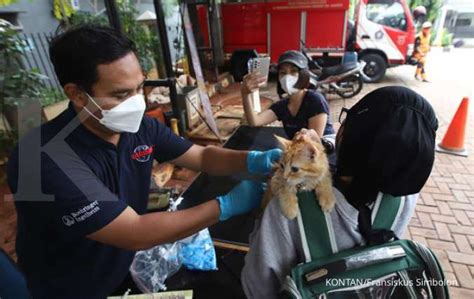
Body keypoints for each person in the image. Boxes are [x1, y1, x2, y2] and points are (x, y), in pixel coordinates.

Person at [6, 25, 281, 298]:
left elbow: (201, 156)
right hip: (72, 286)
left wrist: (253, 160)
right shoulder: (43, 158)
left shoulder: (138, 128)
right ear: (77, 94)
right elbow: (134, 231)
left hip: (123, 265)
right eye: (120, 94)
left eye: (139, 88)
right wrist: (225, 206)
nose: (137, 102)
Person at [241, 86, 438, 298]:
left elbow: (256, 286)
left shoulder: (288, 212)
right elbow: (374, 160)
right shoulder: (405, 197)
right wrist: (321, 148)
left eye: (345, 120)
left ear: (345, 135)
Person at [241, 50, 335, 140]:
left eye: (293, 71)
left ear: (303, 74)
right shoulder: (282, 106)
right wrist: (245, 94)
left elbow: (314, 143)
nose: (287, 77)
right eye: (283, 73)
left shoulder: (315, 100)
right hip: (300, 151)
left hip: (322, 151)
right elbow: (254, 121)